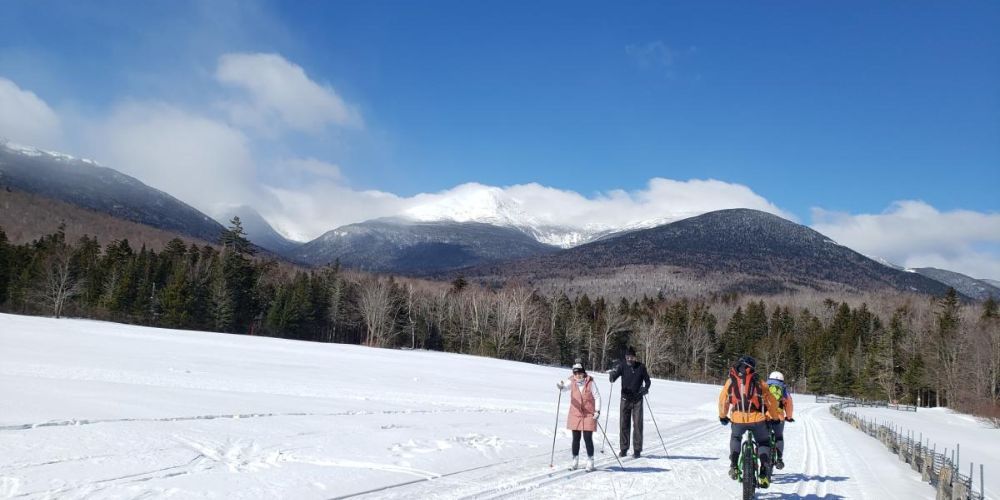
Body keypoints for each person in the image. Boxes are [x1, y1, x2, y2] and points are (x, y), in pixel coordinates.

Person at [718, 355, 782, 488]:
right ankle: (764, 473)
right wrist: (775, 418)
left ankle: (734, 465)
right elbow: (771, 402)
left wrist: (723, 416)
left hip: (737, 419)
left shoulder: (730, 380)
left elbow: (723, 399)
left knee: (736, 437)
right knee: (764, 442)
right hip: (757, 419)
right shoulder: (759, 381)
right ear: (752, 367)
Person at [557, 362, 602, 471]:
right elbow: (564, 389)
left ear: (583, 372)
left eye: (580, 373)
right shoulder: (571, 381)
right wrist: (561, 386)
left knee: (587, 438)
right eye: (575, 373)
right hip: (575, 414)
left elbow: (597, 397)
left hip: (588, 414)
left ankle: (590, 461)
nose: (578, 375)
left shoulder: (590, 382)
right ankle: (575, 460)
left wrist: (597, 411)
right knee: (576, 438)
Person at [608, 346, 651, 458]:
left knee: (637, 425)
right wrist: (612, 375)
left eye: (631, 357)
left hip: (637, 400)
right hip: (625, 399)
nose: (629, 359)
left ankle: (637, 450)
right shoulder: (622, 366)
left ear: (635, 357)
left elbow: (648, 381)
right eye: (627, 357)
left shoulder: (641, 367)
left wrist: (645, 389)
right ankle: (624, 449)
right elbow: (614, 377)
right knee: (623, 424)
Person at [765, 371, 795, 470]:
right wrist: (789, 416)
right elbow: (789, 403)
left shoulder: (764, 386)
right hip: (779, 417)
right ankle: (779, 459)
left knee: (761, 437)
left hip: (765, 416)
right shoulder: (783, 389)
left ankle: (759, 452)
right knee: (779, 437)